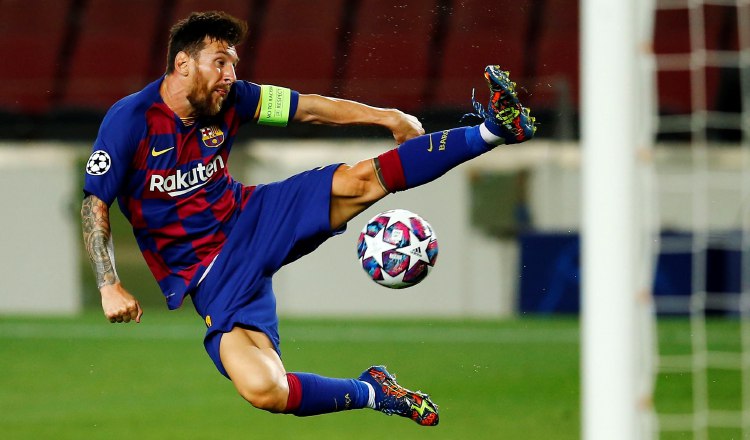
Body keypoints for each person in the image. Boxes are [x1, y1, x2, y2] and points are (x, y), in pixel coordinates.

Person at [80, 11, 535, 427]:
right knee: (265, 390)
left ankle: (493, 130)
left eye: (233, 64)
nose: (231, 76)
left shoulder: (235, 98)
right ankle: (374, 391)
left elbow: (310, 106)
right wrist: (108, 283)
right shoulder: (130, 121)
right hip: (209, 278)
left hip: (253, 218)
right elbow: (93, 203)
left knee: (360, 181)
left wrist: (388, 116)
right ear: (182, 64)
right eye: (220, 62)